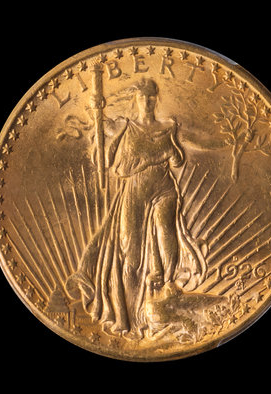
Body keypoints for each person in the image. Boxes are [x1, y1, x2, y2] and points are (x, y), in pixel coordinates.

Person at [66, 78, 207, 337]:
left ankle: (166, 291)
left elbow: (177, 161)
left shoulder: (168, 127)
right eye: (143, 96)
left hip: (164, 188)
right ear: (137, 99)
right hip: (135, 192)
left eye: (151, 96)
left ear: (156, 99)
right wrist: (95, 106)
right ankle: (130, 317)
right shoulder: (125, 125)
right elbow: (101, 126)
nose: (148, 101)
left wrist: (170, 152)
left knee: (166, 234)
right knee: (130, 253)